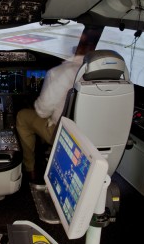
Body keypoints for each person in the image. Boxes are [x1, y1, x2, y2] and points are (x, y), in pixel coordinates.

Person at [16, 32, 95, 181]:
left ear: (72, 48)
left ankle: (30, 169)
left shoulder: (59, 72)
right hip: (94, 134)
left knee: (22, 116)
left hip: (65, 134)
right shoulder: (110, 74)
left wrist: (35, 103)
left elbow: (42, 112)